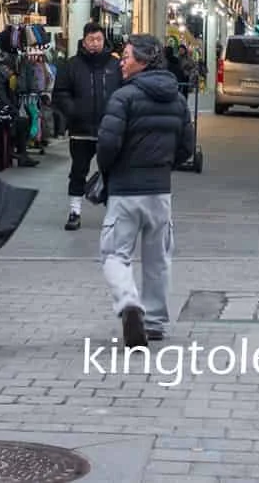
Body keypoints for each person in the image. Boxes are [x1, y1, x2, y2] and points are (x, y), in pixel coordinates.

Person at [95, 33, 194, 347]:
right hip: (160, 192)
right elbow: (187, 147)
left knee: (114, 254)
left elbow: (107, 144)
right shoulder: (178, 100)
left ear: (143, 60)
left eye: (126, 56)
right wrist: (164, 165)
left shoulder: (123, 97)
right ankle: (154, 322)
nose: (121, 62)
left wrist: (108, 170)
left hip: (125, 190)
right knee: (158, 259)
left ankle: (128, 302)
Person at [55, 20, 122, 231]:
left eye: (98, 39)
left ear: (104, 40)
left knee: (113, 173)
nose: (95, 43)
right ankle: (74, 212)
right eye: (91, 39)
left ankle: (113, 214)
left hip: (109, 131)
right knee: (78, 172)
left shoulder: (115, 66)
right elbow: (60, 93)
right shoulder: (71, 65)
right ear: (83, 41)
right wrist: (73, 111)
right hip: (81, 132)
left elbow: (125, 92)